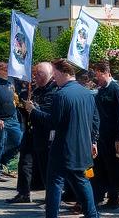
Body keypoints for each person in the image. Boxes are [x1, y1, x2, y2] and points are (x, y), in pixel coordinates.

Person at [42, 60, 96, 218]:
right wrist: (93, 141)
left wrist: (34, 111)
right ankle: (92, 215)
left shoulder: (60, 94)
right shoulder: (87, 93)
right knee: (83, 182)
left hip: (63, 148)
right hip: (82, 147)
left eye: (54, 74)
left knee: (55, 185)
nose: (53, 78)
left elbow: (53, 122)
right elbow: (94, 120)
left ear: (62, 72)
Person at [91, 60, 119, 211]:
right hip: (102, 136)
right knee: (101, 167)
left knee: (114, 167)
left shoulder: (117, 90)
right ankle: (100, 195)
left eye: (98, 75)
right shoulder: (101, 90)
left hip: (113, 137)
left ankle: (115, 197)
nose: (96, 79)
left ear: (105, 73)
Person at [9, 61, 56, 205]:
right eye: (35, 73)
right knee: (24, 162)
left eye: (39, 74)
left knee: (46, 166)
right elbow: (28, 111)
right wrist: (22, 105)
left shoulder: (53, 90)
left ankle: (51, 195)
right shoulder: (35, 89)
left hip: (45, 134)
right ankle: (24, 192)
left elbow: (47, 112)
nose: (36, 77)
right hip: (30, 131)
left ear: (50, 75)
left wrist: (34, 108)